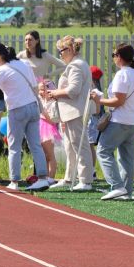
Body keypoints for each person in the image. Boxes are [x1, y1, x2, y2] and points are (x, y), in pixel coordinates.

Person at [0, 43, 50, 191]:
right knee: (35, 144)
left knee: (14, 146)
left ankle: (14, 181)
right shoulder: (23, 64)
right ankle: (42, 178)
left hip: (17, 109)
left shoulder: (1, 71)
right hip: (33, 106)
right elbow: (34, 85)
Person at [91, 43, 134, 200]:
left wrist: (99, 100)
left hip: (119, 121)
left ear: (120, 57)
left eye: (114, 55)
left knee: (103, 150)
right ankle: (126, 191)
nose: (113, 57)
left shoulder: (122, 75)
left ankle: (117, 186)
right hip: (133, 121)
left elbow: (118, 101)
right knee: (127, 157)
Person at [46, 36, 95, 191]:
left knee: (79, 145)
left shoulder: (76, 66)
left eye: (61, 50)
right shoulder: (77, 64)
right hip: (70, 112)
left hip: (75, 111)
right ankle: (69, 178)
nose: (60, 54)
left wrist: (54, 93)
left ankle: (85, 180)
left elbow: (73, 90)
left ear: (70, 49)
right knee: (70, 146)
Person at [38, 80, 62, 184]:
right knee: (44, 155)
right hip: (39, 127)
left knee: (50, 154)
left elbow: (53, 120)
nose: (41, 92)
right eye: (39, 90)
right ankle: (46, 176)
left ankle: (51, 178)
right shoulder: (40, 100)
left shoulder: (53, 103)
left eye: (43, 89)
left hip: (47, 129)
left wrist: (43, 114)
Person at [88, 66, 105, 174]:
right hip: (91, 120)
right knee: (89, 146)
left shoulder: (95, 92)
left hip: (92, 121)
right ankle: (90, 169)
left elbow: (97, 111)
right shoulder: (95, 90)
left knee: (89, 146)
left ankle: (91, 170)